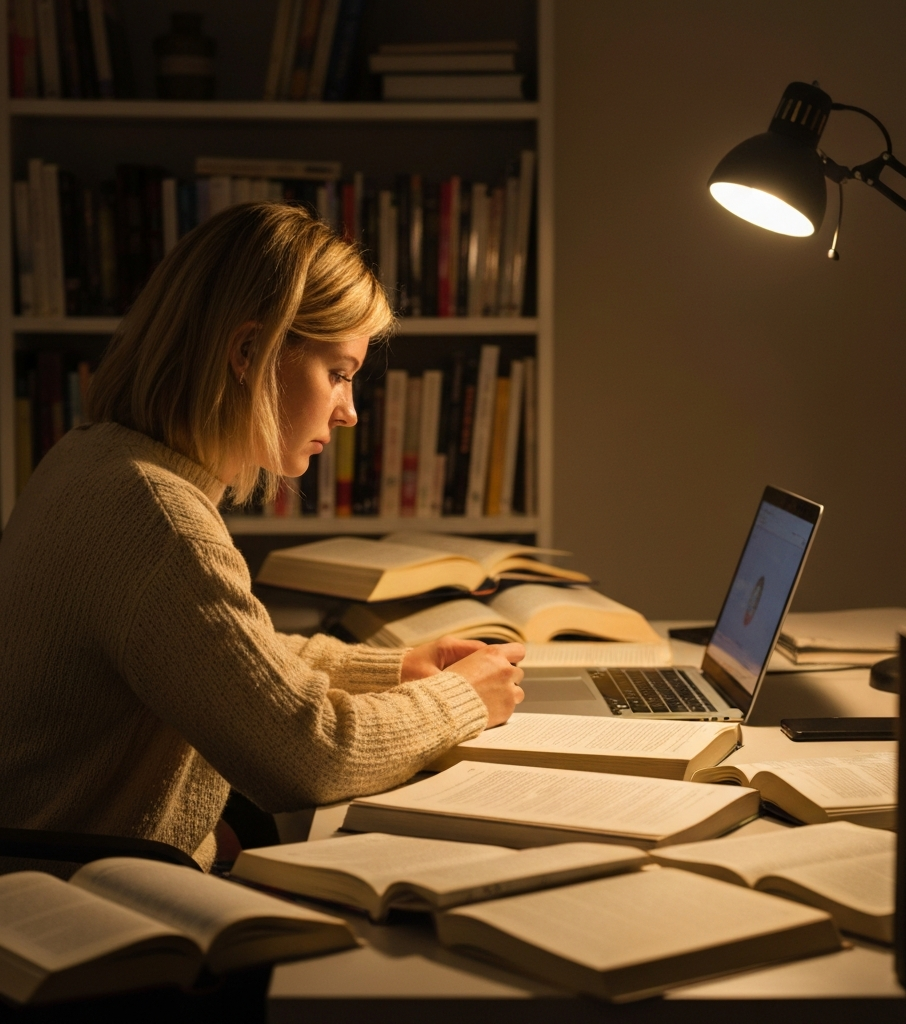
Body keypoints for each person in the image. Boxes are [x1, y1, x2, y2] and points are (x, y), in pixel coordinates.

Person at [0, 203, 524, 871]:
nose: (350, 412)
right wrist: (461, 699)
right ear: (250, 352)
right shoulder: (155, 516)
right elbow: (310, 757)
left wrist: (395, 669)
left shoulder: (96, 457)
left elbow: (229, 654)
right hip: (80, 908)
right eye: (337, 373)